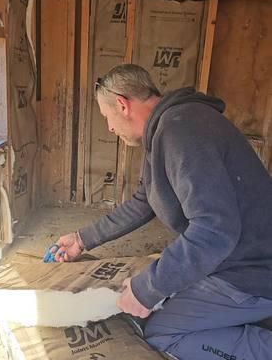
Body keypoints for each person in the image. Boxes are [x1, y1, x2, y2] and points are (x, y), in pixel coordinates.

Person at [52, 64, 272, 360]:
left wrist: (147, 288)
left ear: (121, 104)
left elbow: (214, 231)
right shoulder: (170, 127)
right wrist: (82, 238)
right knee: (162, 292)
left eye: (107, 118)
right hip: (237, 259)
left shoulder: (181, 131)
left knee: (161, 332)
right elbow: (145, 201)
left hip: (253, 273)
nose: (110, 129)